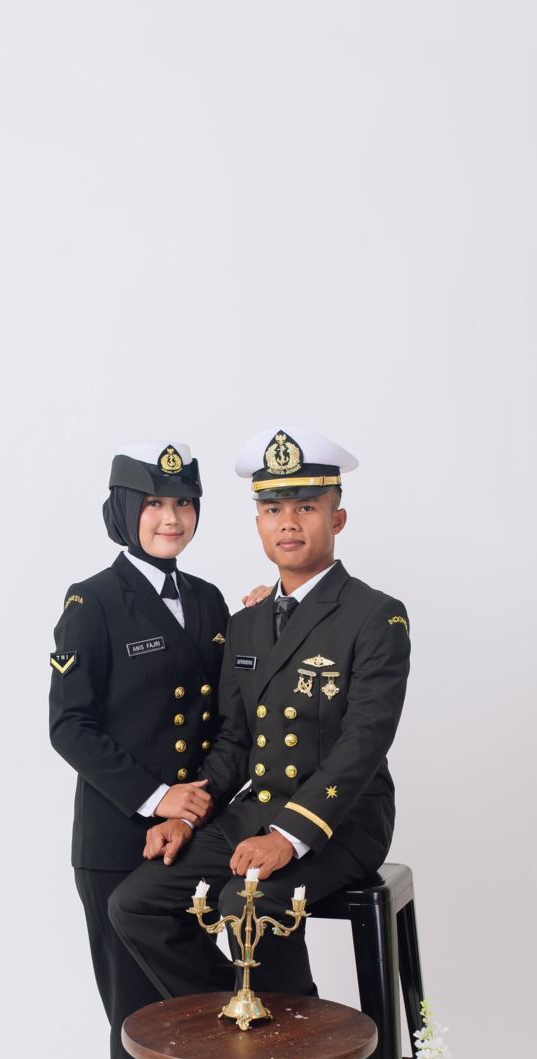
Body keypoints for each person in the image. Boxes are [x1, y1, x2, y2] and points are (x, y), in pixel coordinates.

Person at [107, 426, 411, 1028]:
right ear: (257, 523)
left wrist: (289, 837)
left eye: (306, 507)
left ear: (337, 518)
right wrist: (187, 814)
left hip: (341, 819)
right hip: (256, 809)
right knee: (136, 904)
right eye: (273, 509)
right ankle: (257, 1026)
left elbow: (364, 742)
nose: (288, 522)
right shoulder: (245, 624)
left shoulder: (376, 615)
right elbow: (234, 741)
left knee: (249, 900)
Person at [48, 440, 230, 1059]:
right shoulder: (91, 602)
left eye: (183, 502)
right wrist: (159, 798)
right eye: (154, 503)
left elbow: (229, 714)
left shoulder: (212, 601)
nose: (171, 517)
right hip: (120, 842)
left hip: (198, 838)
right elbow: (70, 725)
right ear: (124, 512)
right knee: (139, 1015)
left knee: (204, 994)